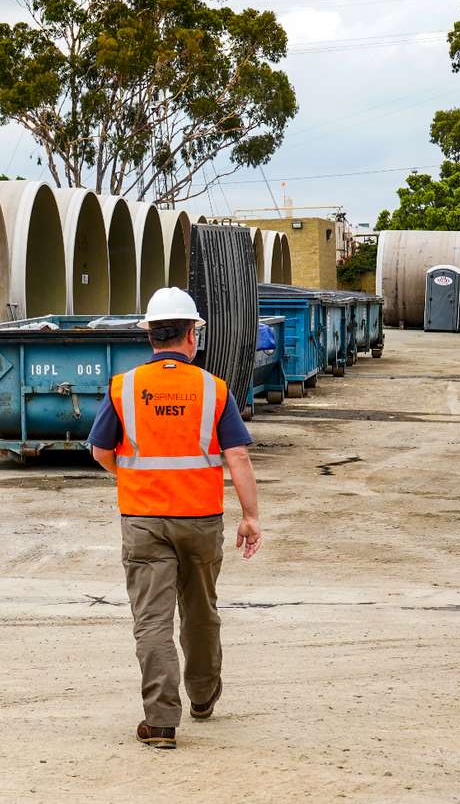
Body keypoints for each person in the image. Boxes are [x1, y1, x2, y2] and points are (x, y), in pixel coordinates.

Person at [88, 287, 262, 750]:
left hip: (143, 519)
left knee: (152, 620)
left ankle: (162, 721)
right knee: (201, 611)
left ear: (151, 336)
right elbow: (238, 454)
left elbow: (102, 450)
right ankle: (203, 698)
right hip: (201, 519)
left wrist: (132, 477)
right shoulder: (213, 388)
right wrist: (250, 516)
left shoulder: (123, 387)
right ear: (191, 335)